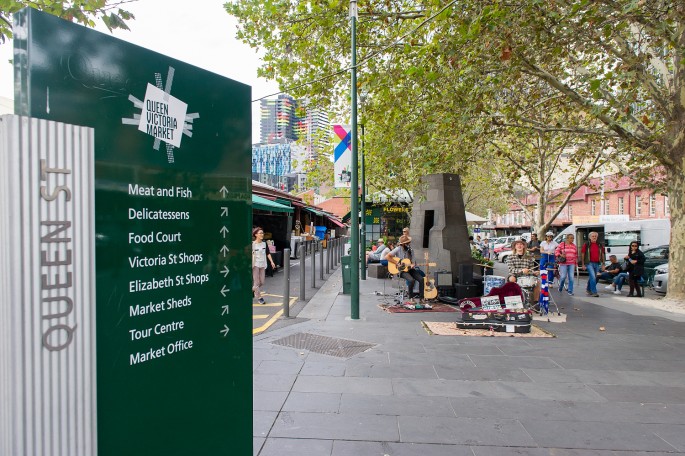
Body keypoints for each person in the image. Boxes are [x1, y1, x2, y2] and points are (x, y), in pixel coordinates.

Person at [386, 235, 424, 300]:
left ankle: (421, 298)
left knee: (421, 279)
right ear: (403, 244)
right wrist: (397, 263)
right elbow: (387, 257)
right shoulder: (398, 249)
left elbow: (413, 262)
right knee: (411, 280)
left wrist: (413, 264)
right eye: (408, 243)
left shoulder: (411, 251)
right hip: (401, 270)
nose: (409, 244)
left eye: (409, 242)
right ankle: (411, 298)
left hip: (409, 269)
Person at [252, 227, 275, 305]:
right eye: (260, 233)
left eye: (262, 233)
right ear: (256, 235)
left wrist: (272, 262)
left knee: (262, 282)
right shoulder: (253, 244)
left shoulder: (264, 243)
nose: (262, 234)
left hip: (263, 264)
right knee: (256, 282)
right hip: (255, 265)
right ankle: (259, 297)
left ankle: (253, 290)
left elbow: (268, 253)